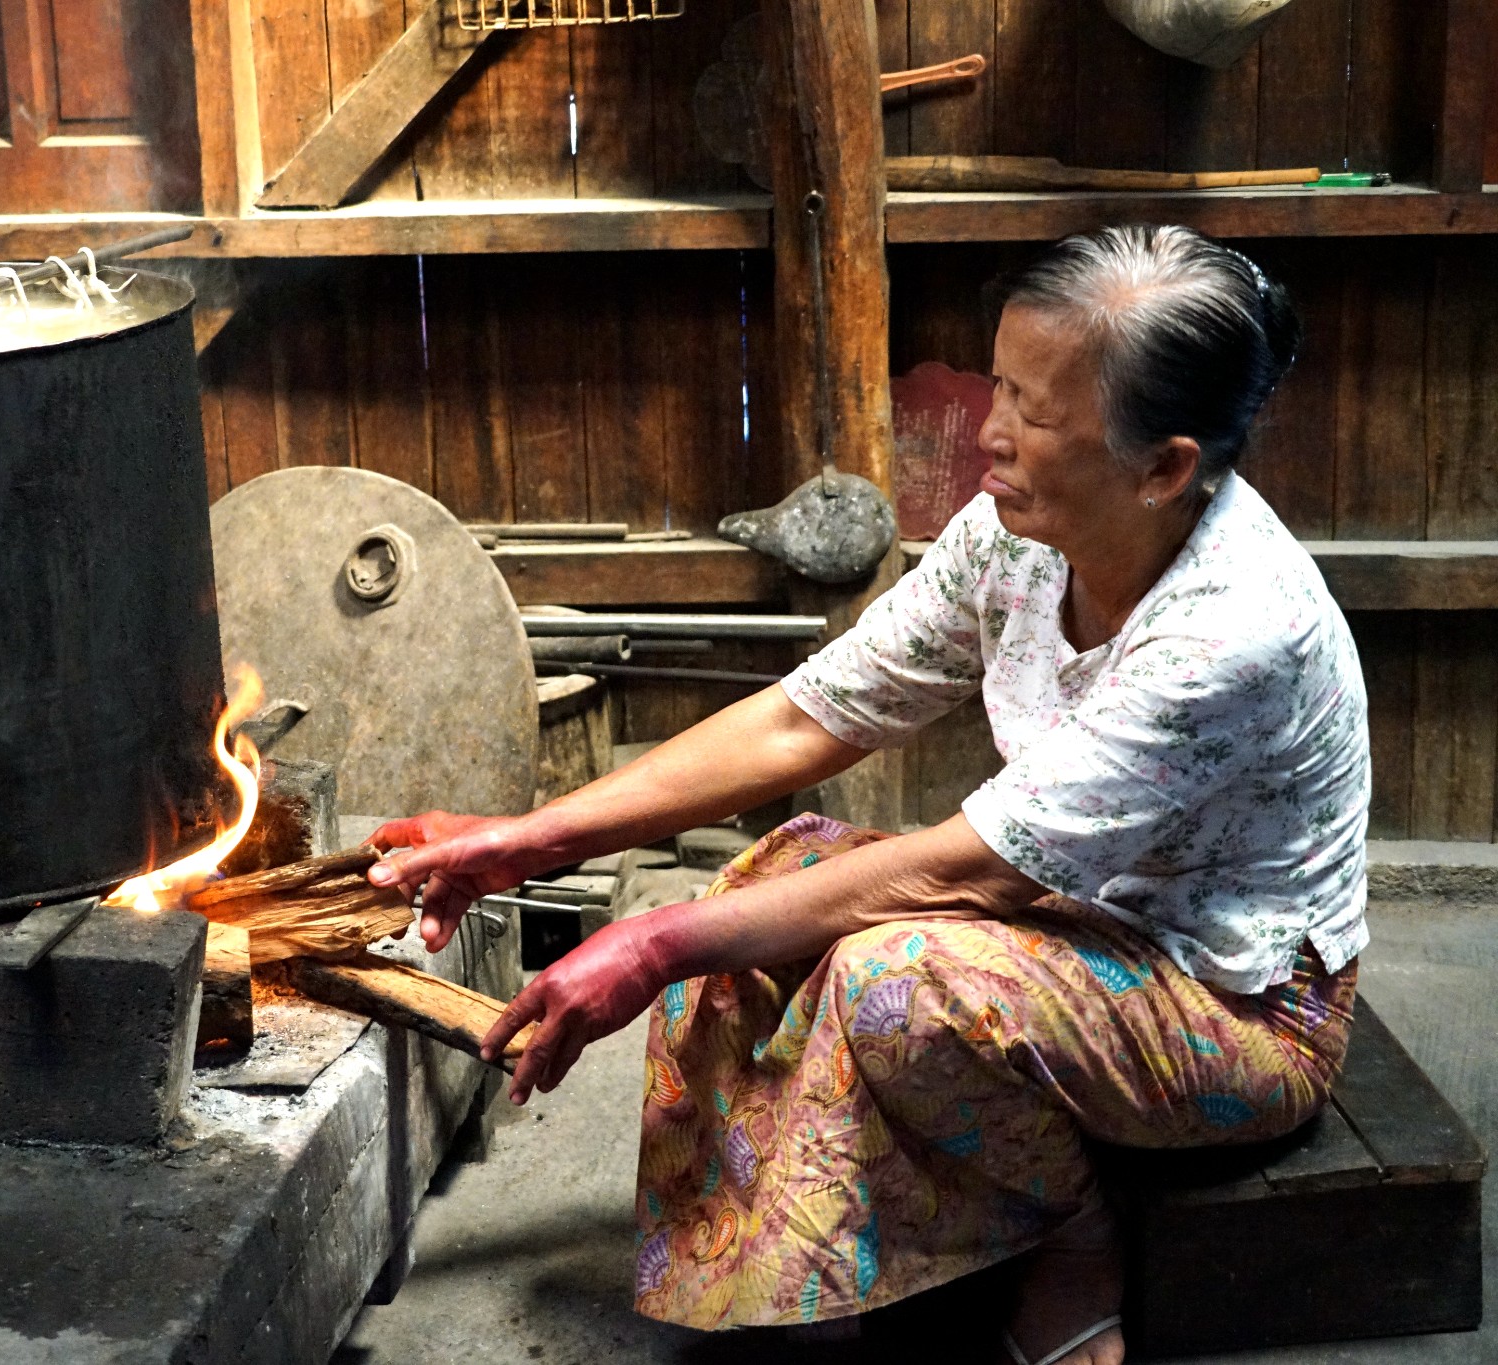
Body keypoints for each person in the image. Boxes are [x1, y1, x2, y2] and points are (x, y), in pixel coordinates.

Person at [366, 224, 1369, 1365]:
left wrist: (648, 946)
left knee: (888, 982)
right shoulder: (1017, 540)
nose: (987, 435)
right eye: (998, 383)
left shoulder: (1233, 630)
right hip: (1069, 926)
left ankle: (1069, 1239)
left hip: (1228, 1005)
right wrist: (524, 843)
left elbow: (964, 871)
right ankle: (810, 1269)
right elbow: (810, 715)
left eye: (1035, 416)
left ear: (1162, 466)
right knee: (777, 875)